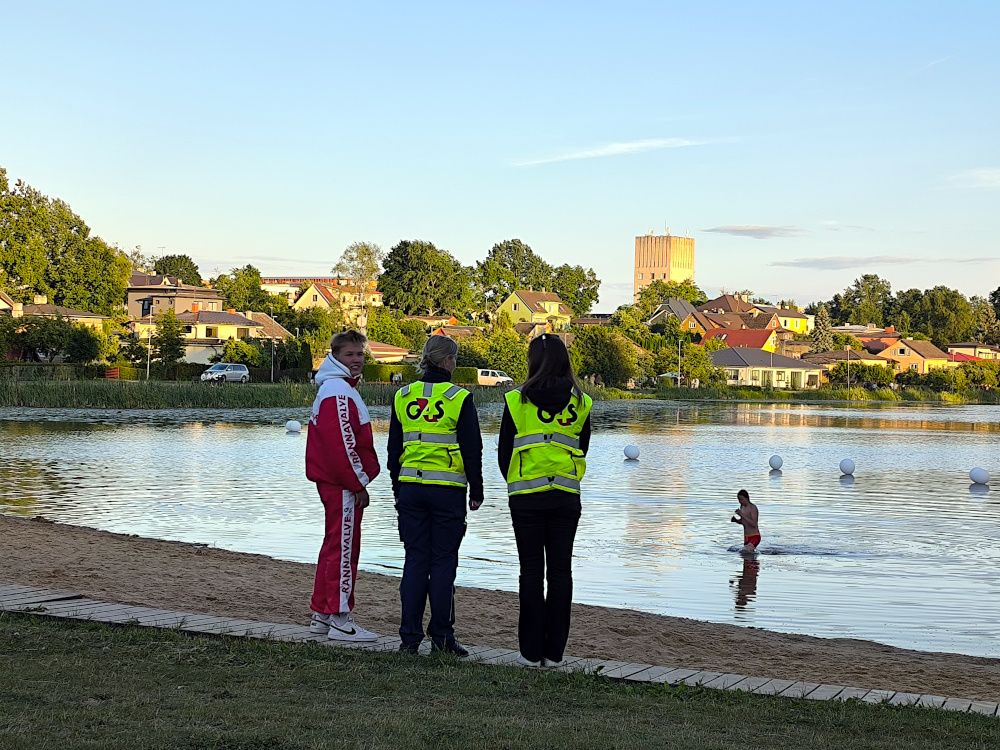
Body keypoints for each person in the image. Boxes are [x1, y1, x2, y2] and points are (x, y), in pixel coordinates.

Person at [498, 334, 592, 668]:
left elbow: (503, 454)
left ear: (532, 361)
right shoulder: (582, 402)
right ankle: (555, 654)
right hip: (566, 496)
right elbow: (583, 448)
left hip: (525, 497)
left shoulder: (515, 401)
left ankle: (529, 652)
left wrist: (517, 480)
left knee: (530, 573)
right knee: (561, 573)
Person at [388, 335, 484, 656]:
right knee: (443, 562)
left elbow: (393, 450)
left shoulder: (403, 395)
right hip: (447, 490)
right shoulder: (460, 398)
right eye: (454, 359)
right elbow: (473, 450)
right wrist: (477, 489)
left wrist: (397, 489)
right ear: (446, 361)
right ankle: (442, 637)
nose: (455, 365)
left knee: (415, 560)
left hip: (411, 489)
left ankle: (409, 639)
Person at [305, 330, 381, 642]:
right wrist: (359, 483)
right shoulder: (338, 392)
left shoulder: (337, 388)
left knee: (334, 545)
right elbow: (342, 445)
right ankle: (339, 617)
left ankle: (322, 615)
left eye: (360, 355)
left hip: (334, 482)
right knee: (344, 548)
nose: (357, 361)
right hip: (341, 484)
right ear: (335, 356)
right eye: (350, 355)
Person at [731, 489, 761, 553]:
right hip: (746, 537)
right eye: (738, 500)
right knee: (746, 561)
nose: (740, 501)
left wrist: (741, 514)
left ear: (747, 498)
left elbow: (754, 524)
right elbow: (744, 522)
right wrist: (736, 520)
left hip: (754, 536)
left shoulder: (753, 508)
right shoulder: (742, 507)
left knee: (744, 552)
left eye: (741, 499)